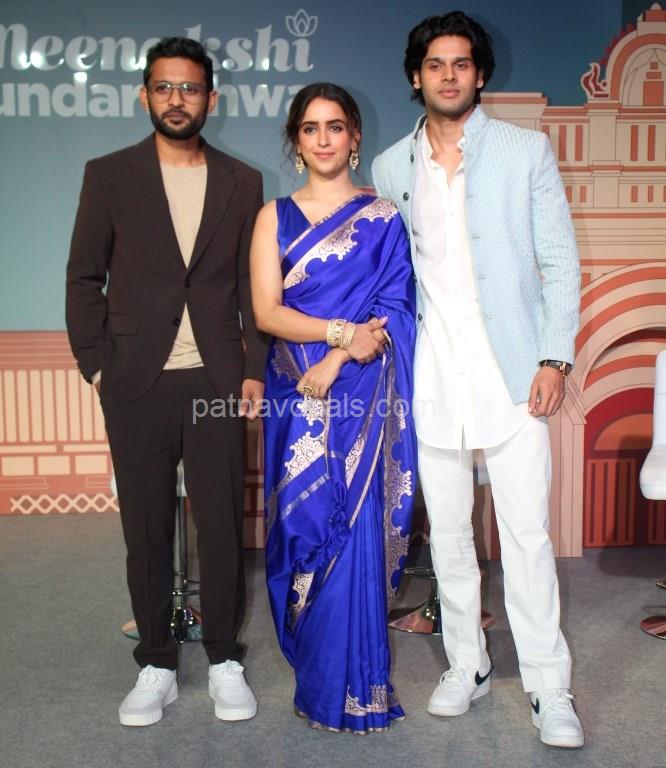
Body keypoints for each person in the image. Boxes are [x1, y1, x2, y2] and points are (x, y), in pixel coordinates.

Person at [372, 11, 584, 749]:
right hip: (433, 373)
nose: (449, 75)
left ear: (481, 73)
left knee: (526, 533)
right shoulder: (391, 168)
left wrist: (555, 358)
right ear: (416, 76)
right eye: (435, 64)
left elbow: (559, 259)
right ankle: (468, 664)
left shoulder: (525, 151)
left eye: (461, 63)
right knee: (451, 534)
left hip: (514, 371)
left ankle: (550, 685)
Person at [66, 37, 268, 727]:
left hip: (216, 379)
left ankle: (224, 659)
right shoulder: (109, 175)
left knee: (221, 522)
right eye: (164, 87)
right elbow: (83, 276)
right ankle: (155, 662)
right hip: (136, 380)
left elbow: (249, 286)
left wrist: (252, 370)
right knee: (146, 526)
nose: (177, 99)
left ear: (212, 98)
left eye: (190, 88)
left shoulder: (242, 180)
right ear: (145, 95)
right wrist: (97, 364)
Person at [250, 83, 417, 733]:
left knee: (354, 527)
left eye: (336, 126)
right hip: (295, 392)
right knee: (303, 526)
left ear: (355, 138)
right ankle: (316, 671)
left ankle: (351, 688)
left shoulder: (383, 218)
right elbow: (267, 312)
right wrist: (338, 334)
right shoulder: (273, 217)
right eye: (311, 128)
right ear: (296, 141)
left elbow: (394, 312)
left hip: (360, 392)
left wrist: (340, 359)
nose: (324, 139)